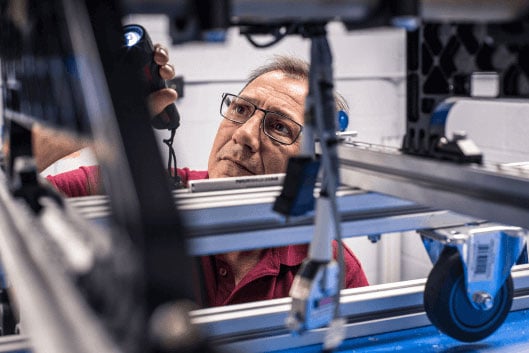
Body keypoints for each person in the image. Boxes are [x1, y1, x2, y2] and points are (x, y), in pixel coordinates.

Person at [35, 46, 369, 307]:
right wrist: (91, 121)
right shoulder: (134, 188)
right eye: (240, 109)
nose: (245, 135)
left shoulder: (332, 265)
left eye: (279, 126)